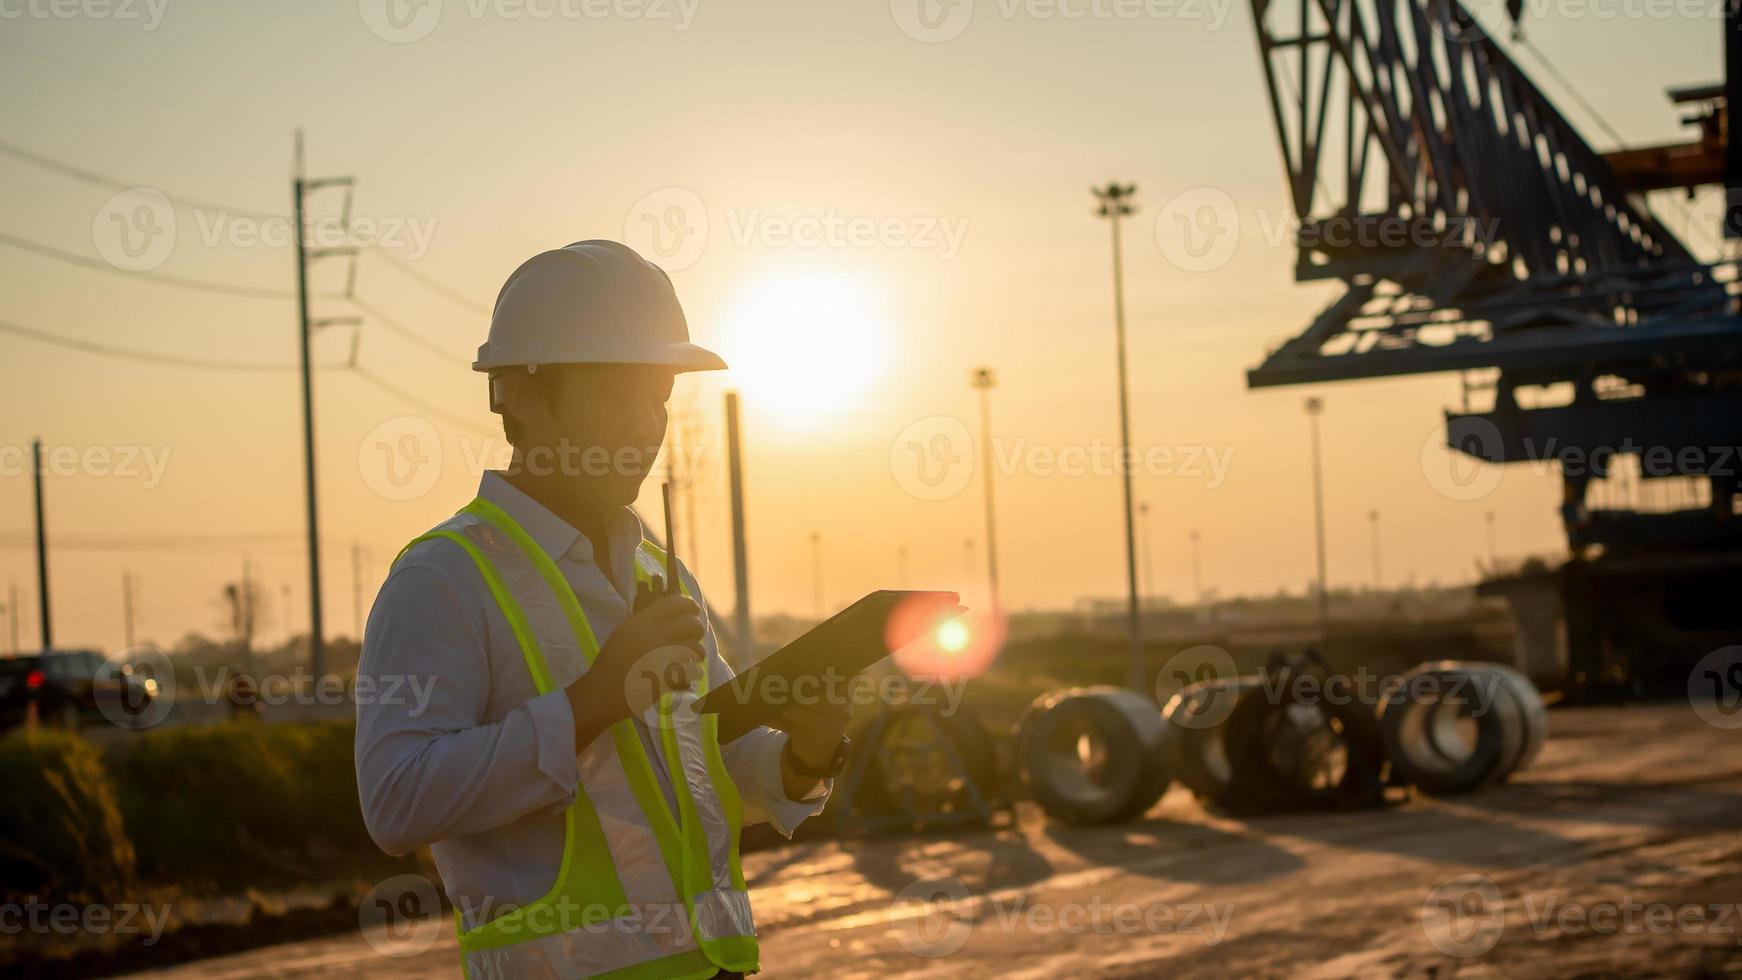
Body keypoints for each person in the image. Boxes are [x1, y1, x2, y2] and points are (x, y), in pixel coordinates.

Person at [355, 240, 852, 979]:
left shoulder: (657, 568)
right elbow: (396, 803)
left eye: (657, 397)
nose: (646, 424)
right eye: (616, 394)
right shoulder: (443, 578)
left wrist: (806, 754)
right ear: (520, 395)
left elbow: (704, 771)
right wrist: (592, 701)